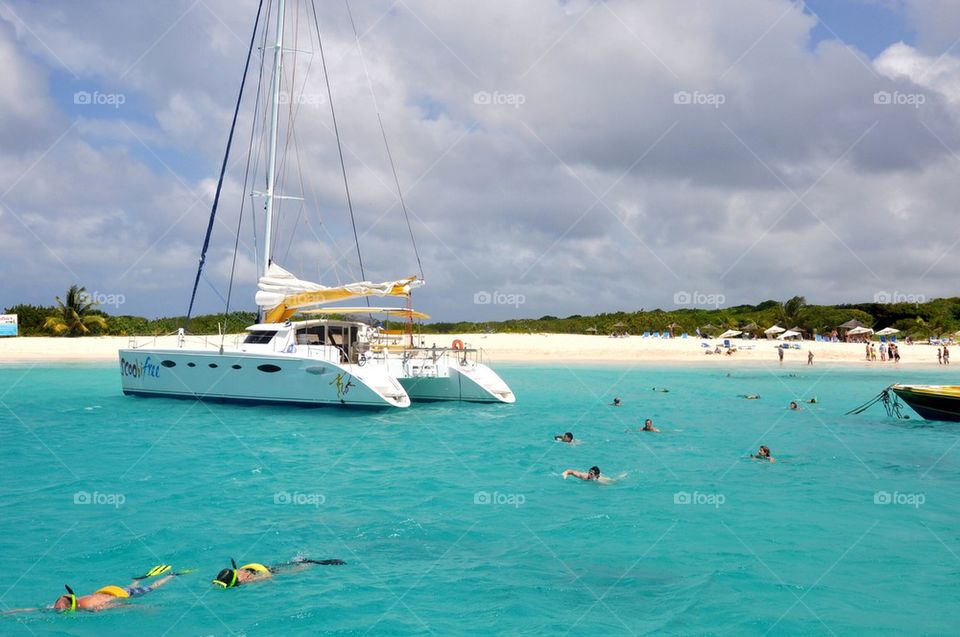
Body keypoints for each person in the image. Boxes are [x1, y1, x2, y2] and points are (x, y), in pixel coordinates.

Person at [0, 565, 194, 614]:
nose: (56, 605)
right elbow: (37, 610)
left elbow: (119, 606)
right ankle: (137, 579)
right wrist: (9, 612)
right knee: (130, 585)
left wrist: (142, 608)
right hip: (108, 589)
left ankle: (171, 576)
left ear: (68, 604)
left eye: (58, 605)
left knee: (151, 588)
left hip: (118, 594)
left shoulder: (91, 606)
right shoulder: (69, 601)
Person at [212, 557, 345, 588]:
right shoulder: (235, 572)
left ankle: (325, 563)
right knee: (296, 563)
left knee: (303, 567)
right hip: (262, 567)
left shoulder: (245, 579)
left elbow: (268, 578)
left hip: (270, 571)